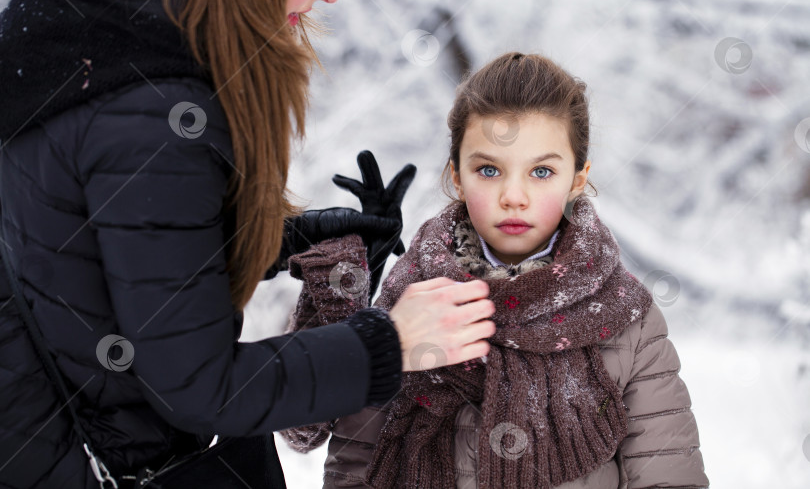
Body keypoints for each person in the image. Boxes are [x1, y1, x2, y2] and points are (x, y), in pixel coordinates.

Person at [0, 0, 496, 487]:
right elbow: (201, 389)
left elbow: (89, 259)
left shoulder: (85, 25)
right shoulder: (151, 110)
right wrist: (391, 343)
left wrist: (281, 242)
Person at [282, 53, 711, 488]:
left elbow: (667, 475)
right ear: (457, 176)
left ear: (578, 178)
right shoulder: (414, 301)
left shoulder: (623, 317)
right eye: (489, 170)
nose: (513, 195)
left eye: (541, 171)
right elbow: (351, 464)